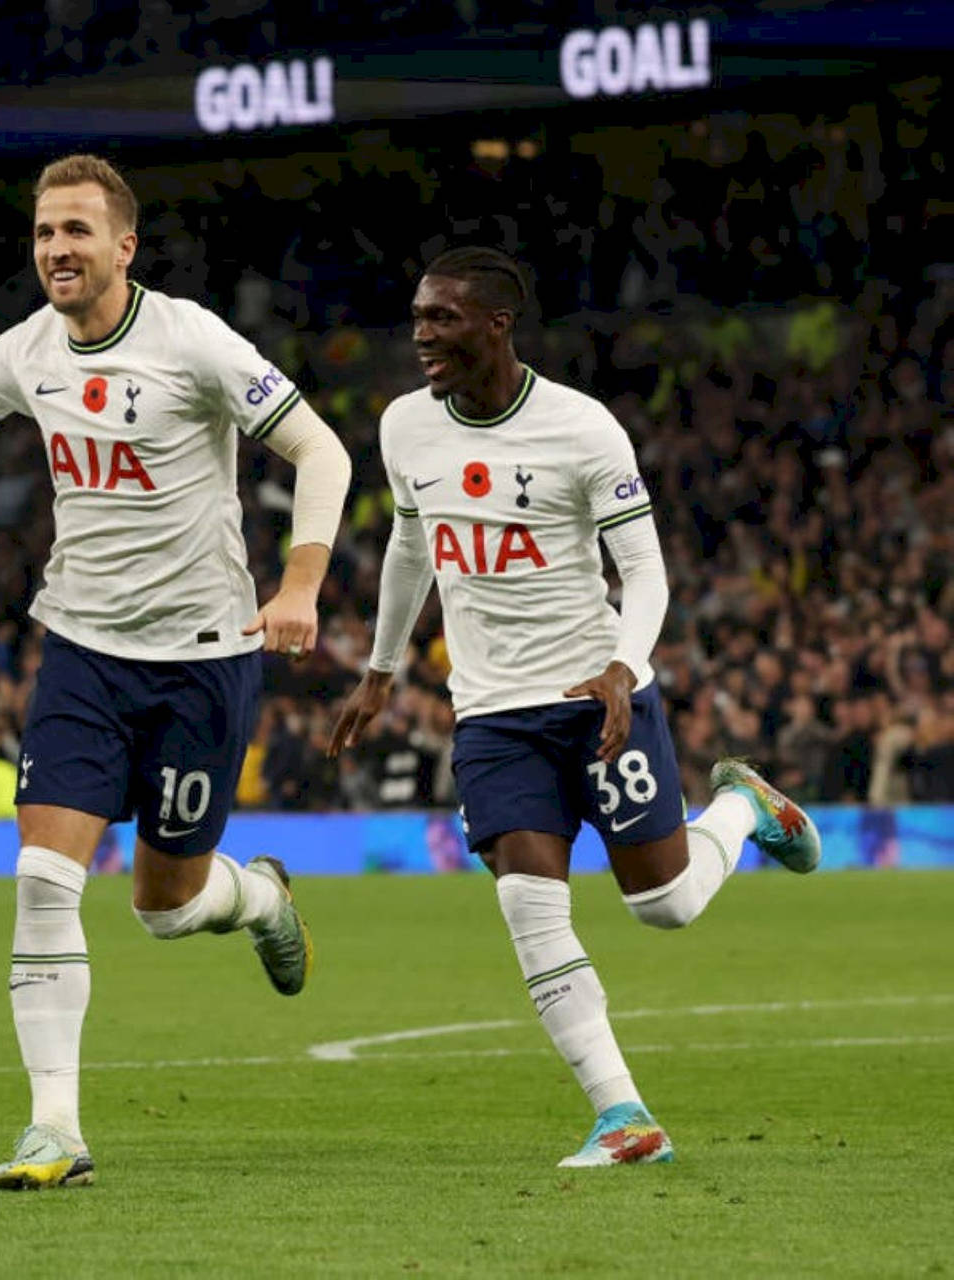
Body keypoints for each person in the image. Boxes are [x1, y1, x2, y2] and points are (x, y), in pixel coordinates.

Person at [0, 154, 353, 1189]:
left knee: (167, 904)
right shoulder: (31, 347)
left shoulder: (192, 340)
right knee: (43, 880)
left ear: (124, 245)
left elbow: (323, 454)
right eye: (46, 232)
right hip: (83, 655)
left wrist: (300, 585)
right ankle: (55, 1127)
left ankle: (261, 898)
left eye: (77, 232)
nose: (57, 248)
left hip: (201, 661)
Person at [329, 246, 822, 1169]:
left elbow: (645, 572)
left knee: (665, 905)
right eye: (418, 316)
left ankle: (744, 806)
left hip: (595, 696)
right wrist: (382, 667)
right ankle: (623, 1115)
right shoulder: (405, 426)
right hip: (489, 716)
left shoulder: (583, 429)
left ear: (497, 325)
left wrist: (624, 669)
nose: (421, 333)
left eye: (442, 318)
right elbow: (409, 541)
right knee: (528, 905)